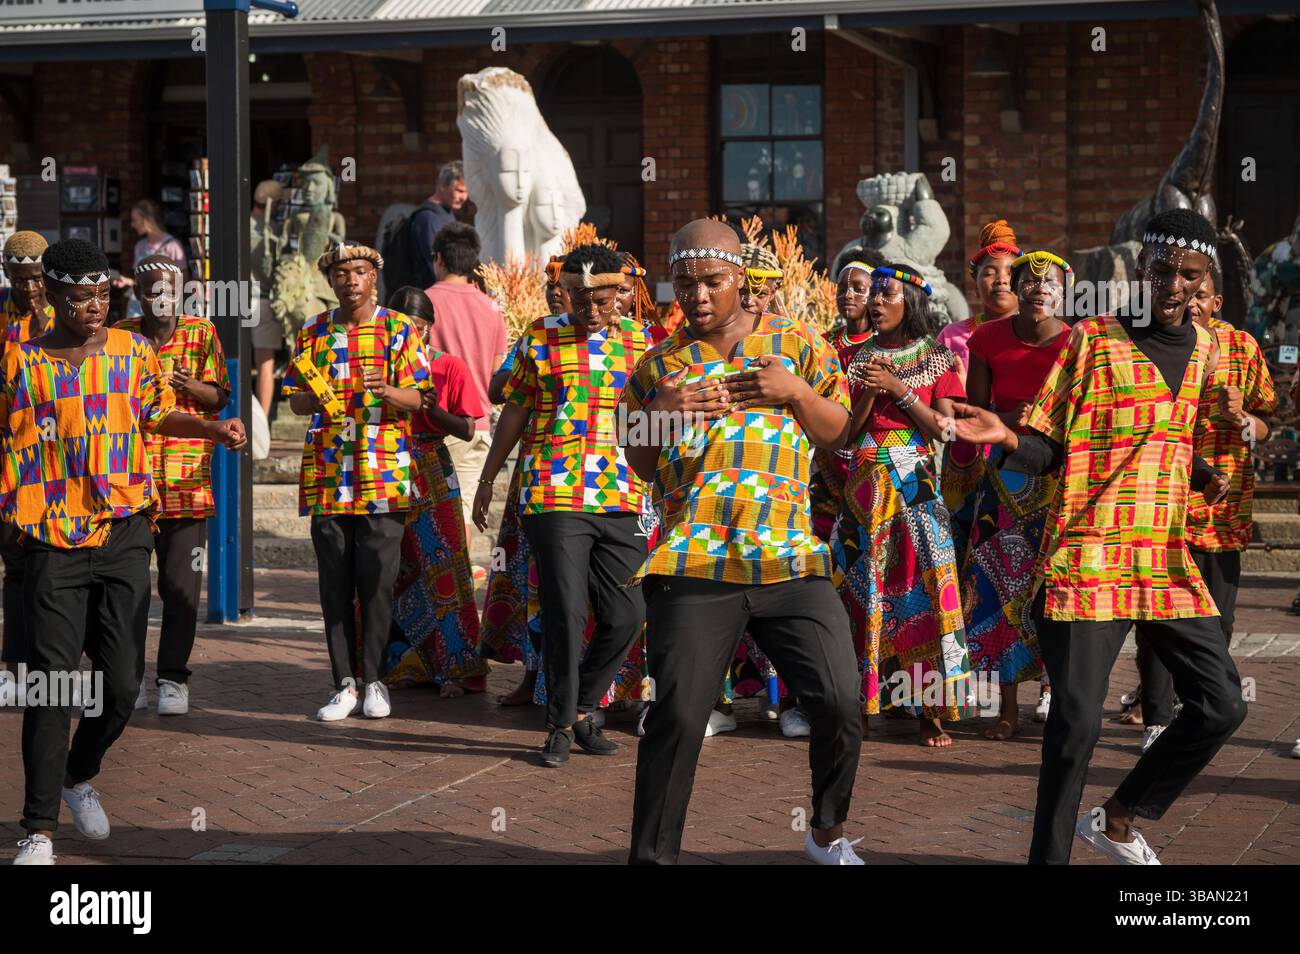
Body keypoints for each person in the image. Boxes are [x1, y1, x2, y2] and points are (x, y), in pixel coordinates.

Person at [949, 209, 1247, 865]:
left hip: (1164, 557)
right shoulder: (1094, 341)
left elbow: (1162, 427)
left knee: (1224, 704)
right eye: (1163, 270)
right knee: (1076, 722)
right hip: (1089, 553)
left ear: (1205, 283)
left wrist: (1198, 473)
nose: (1175, 286)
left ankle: (1118, 814)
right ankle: (1047, 858)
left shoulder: (1207, 349)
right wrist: (1005, 439)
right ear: (1141, 270)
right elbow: (1051, 444)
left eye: (1190, 276)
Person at [622, 219, 864, 865]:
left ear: (741, 280)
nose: (697, 295)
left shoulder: (798, 343)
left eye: (711, 281)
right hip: (695, 563)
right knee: (676, 719)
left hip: (789, 561)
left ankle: (827, 831)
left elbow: (839, 433)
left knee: (840, 701)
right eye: (684, 283)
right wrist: (660, 411)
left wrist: (796, 392)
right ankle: (652, 857)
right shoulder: (656, 366)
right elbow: (640, 463)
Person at [6, 239, 245, 866]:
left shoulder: (133, 351)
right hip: (50, 534)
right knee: (53, 687)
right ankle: (38, 829)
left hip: (123, 530)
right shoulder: (18, 361)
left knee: (121, 684)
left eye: (103, 295)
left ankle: (78, 775)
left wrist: (212, 427)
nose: (95, 305)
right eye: (81, 296)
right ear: (52, 295)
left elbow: (160, 415)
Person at [473, 244, 649, 768]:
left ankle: (583, 708)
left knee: (628, 612)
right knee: (565, 613)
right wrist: (489, 476)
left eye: (599, 296)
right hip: (553, 491)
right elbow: (518, 407)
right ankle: (558, 724)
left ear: (620, 292)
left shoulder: (642, 342)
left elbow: (658, 414)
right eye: (577, 296)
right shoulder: (541, 335)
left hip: (621, 492)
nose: (589, 307)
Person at [1126, 263, 1276, 752]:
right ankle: (1155, 717)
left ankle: (1199, 708)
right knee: (1155, 617)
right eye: (1186, 295)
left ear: (1217, 303)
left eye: (1202, 296)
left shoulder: (1242, 348)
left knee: (1218, 622)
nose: (1191, 303)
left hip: (1223, 510)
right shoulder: (1149, 341)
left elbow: (1266, 425)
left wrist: (1242, 418)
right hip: (1162, 506)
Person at [281, 243, 431, 723]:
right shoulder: (313, 330)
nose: (351, 280)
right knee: (334, 584)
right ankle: (344, 683)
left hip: (383, 472)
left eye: (360, 272)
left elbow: (419, 398)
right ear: (330, 281)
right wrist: (310, 396)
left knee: (378, 583)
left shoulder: (399, 329)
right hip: (329, 472)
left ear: (374, 278)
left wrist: (385, 388)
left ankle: (376, 681)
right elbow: (295, 401)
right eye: (342, 273)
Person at [832, 264, 976, 747]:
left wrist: (900, 391)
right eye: (872, 294)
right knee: (860, 587)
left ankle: (928, 712)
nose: (874, 302)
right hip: (864, 486)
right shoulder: (853, 357)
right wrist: (870, 399)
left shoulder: (938, 358)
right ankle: (862, 705)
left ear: (910, 301)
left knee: (921, 587)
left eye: (886, 294)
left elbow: (946, 430)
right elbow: (844, 436)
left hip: (915, 483)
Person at [960, 250, 1071, 741]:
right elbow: (974, 413)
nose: (1038, 289)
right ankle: (1006, 707)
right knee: (1001, 590)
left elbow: (1076, 422)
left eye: (1050, 284)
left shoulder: (1077, 344)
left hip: (1059, 481)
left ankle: (1056, 695)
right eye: (1030, 281)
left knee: (1055, 589)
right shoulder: (988, 338)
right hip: (1003, 481)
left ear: (1064, 294)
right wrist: (1014, 421)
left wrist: (1032, 424)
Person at [115, 255, 231, 716]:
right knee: (126, 591)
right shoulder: (121, 334)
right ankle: (129, 680)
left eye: (168, 291)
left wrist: (190, 384)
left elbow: (221, 396)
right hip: (130, 484)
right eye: (150, 291)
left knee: (180, 590)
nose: (160, 299)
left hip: (185, 483)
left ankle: (172, 679)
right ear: (138, 295)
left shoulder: (201, 333)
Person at [380, 286, 490, 695]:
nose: (410, 334)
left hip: (429, 465)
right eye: (401, 327)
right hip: (383, 462)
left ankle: (457, 668)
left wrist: (430, 409)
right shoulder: (376, 366)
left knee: (444, 565)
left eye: (418, 328)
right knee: (389, 570)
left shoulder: (449, 368)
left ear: (430, 328)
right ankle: (397, 664)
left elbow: (467, 426)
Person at [478, 256, 568, 706]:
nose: (555, 295)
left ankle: (585, 693)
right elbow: (499, 391)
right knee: (529, 580)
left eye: (562, 289)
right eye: (550, 291)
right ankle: (534, 680)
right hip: (535, 476)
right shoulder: (538, 336)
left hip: (604, 484)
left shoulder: (624, 339)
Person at [939, 220, 1022, 566]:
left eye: (1008, 272)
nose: (1000, 279)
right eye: (989, 272)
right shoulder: (953, 335)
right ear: (974, 283)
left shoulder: (1037, 333)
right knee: (960, 549)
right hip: (964, 457)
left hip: (1015, 455)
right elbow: (943, 406)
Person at [424, 223, 507, 545]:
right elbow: (496, 371)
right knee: (461, 511)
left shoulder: (424, 302)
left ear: (439, 259)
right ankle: (463, 586)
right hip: (477, 423)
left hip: (432, 421)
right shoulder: (491, 306)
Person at [0, 231, 54, 709]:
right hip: (8, 461)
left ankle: (51, 668)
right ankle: (14, 670)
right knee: (15, 569)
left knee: (51, 571)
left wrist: (43, 323)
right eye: (21, 281)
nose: (30, 289)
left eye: (36, 279)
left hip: (55, 463)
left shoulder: (64, 315)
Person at [251, 179, 286, 418]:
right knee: (265, 364)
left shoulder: (236, 224)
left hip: (232, 296)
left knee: (234, 360)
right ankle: (262, 421)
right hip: (263, 300)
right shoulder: (273, 231)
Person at [409, 161, 469, 291]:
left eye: (466, 192)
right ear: (443, 185)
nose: (464, 197)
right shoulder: (428, 219)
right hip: (429, 297)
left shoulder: (446, 214)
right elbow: (435, 266)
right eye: (460, 191)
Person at [128, 199, 188, 273]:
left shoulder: (173, 245)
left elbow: (182, 279)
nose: (132, 225)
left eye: (135, 220)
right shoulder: (140, 246)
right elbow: (138, 280)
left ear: (148, 219)